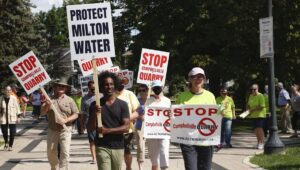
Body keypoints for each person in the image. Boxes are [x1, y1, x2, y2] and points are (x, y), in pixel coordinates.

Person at [176, 67, 217, 170]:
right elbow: (176, 117)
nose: (198, 79)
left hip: (206, 140)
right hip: (187, 140)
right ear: (189, 79)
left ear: (204, 79)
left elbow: (215, 117)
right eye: (194, 77)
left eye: (200, 76)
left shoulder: (210, 96)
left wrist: (221, 113)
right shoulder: (182, 96)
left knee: (205, 168)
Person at [89, 71, 130, 170]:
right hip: (102, 146)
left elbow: (126, 127)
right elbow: (90, 128)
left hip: (118, 146)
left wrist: (107, 130)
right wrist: (95, 114)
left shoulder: (122, 104)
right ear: (101, 87)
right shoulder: (95, 105)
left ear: (115, 85)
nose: (109, 87)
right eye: (106, 84)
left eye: (111, 84)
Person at [41, 78, 79, 170]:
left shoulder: (70, 100)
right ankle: (54, 168)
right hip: (52, 129)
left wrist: (66, 120)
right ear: (54, 88)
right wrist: (47, 105)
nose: (61, 87)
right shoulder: (49, 99)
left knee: (65, 152)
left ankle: (63, 169)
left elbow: (76, 114)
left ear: (66, 89)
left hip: (65, 130)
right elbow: (42, 113)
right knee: (51, 152)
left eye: (63, 86)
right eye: (59, 86)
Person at [115, 75, 139, 170]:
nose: (121, 84)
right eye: (119, 82)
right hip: (113, 129)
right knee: (116, 152)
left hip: (127, 130)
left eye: (123, 82)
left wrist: (127, 120)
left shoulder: (130, 94)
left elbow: (138, 111)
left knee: (127, 150)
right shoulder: (110, 95)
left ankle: (128, 168)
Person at [145, 80, 171, 170]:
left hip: (164, 132)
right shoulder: (148, 101)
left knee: (164, 153)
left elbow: (173, 116)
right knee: (154, 159)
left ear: (162, 87)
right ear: (152, 88)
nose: (156, 89)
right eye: (154, 87)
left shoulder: (168, 101)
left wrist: (172, 116)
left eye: (158, 87)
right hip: (152, 133)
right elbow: (144, 115)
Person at [0, 86, 21, 151]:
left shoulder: (14, 98)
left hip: (12, 118)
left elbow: (17, 107)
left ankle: (10, 145)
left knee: (12, 132)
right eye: (6, 90)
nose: (7, 91)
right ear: (4, 91)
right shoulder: (1, 98)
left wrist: (19, 117)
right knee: (4, 132)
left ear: (11, 91)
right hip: (3, 118)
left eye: (9, 90)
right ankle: (6, 142)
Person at [81, 80, 97, 164]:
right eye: (92, 88)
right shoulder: (84, 98)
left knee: (101, 140)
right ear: (89, 88)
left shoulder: (101, 96)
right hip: (89, 122)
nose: (94, 90)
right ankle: (94, 158)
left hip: (101, 122)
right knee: (92, 141)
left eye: (95, 88)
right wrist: (82, 124)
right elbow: (83, 112)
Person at [247, 84, 266, 150]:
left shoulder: (260, 96)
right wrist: (248, 110)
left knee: (259, 129)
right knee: (256, 130)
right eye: (252, 89)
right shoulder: (251, 96)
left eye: (254, 89)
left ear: (258, 89)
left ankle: (262, 143)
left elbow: (262, 106)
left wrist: (253, 109)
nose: (253, 90)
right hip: (253, 115)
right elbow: (249, 104)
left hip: (260, 115)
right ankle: (258, 142)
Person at [135, 84, 148, 170]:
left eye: (143, 90)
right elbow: (133, 112)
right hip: (140, 125)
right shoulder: (136, 101)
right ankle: (141, 166)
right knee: (140, 145)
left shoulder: (152, 100)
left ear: (147, 90)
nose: (141, 92)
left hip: (153, 125)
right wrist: (139, 116)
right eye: (140, 90)